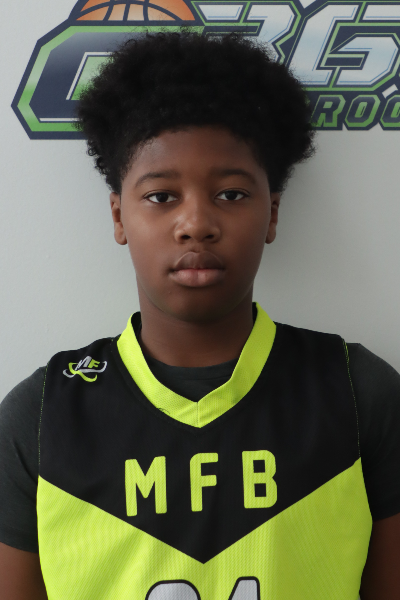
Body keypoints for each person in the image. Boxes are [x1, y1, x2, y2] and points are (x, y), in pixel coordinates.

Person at [1, 30, 400, 600]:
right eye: (161, 196)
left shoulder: (360, 393)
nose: (196, 224)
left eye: (231, 194)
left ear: (272, 213)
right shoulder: (41, 416)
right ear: (118, 216)